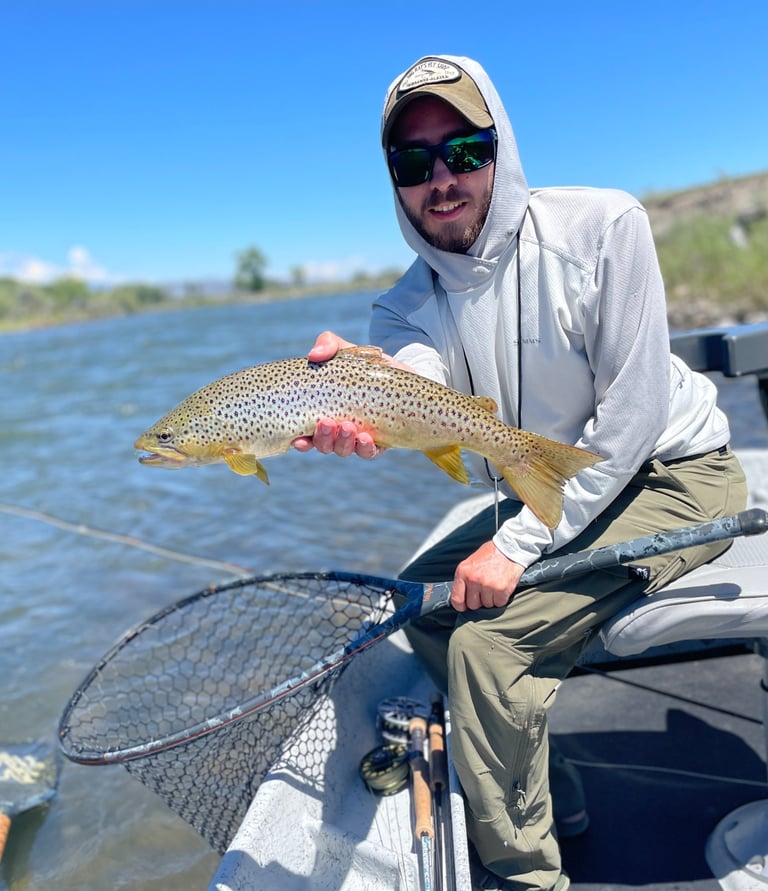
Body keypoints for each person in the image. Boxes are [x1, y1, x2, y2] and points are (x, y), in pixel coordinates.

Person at [293, 55, 747, 890]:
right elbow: (422, 380)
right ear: (393, 179)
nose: (441, 179)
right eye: (413, 162)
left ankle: (526, 876)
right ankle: (552, 793)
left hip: (676, 474)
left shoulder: (605, 226)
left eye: (464, 150)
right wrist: (370, 395)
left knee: (487, 647)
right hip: (549, 483)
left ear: (500, 147)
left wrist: (516, 544)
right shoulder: (401, 306)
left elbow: (631, 420)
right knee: (424, 603)